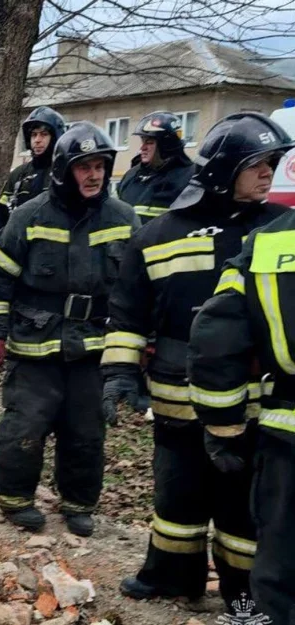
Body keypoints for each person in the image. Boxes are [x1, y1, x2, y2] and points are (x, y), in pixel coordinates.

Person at [105, 112, 291, 613]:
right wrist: (121, 371)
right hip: (175, 397)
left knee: (242, 509)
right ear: (223, 168)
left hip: (250, 403)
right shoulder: (157, 234)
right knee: (176, 497)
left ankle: (246, 599)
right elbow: (127, 312)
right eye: (256, 164)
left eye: (272, 163)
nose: (267, 173)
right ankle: (169, 577)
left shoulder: (280, 230)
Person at [0, 122, 138, 536]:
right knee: (25, 425)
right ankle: (14, 500)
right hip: (34, 345)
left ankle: (78, 503)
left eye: (101, 165)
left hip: (93, 346)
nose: (95, 174)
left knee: (86, 429)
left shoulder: (123, 218)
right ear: (66, 169)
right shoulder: (29, 215)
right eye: (85, 166)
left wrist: (141, 341)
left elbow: (138, 288)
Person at [190, 207, 295, 625]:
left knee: (283, 569)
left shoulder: (268, 243)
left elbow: (216, 337)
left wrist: (223, 423)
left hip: (288, 435)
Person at [0, 106, 66, 240]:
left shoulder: (65, 174)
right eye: (33, 134)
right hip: (19, 250)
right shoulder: (18, 175)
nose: (37, 140)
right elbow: (0, 221)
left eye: (44, 134)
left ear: (56, 138)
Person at [116, 111, 195, 224]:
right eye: (143, 141)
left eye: (149, 142)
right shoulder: (131, 176)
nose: (142, 148)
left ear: (167, 144)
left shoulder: (190, 177)